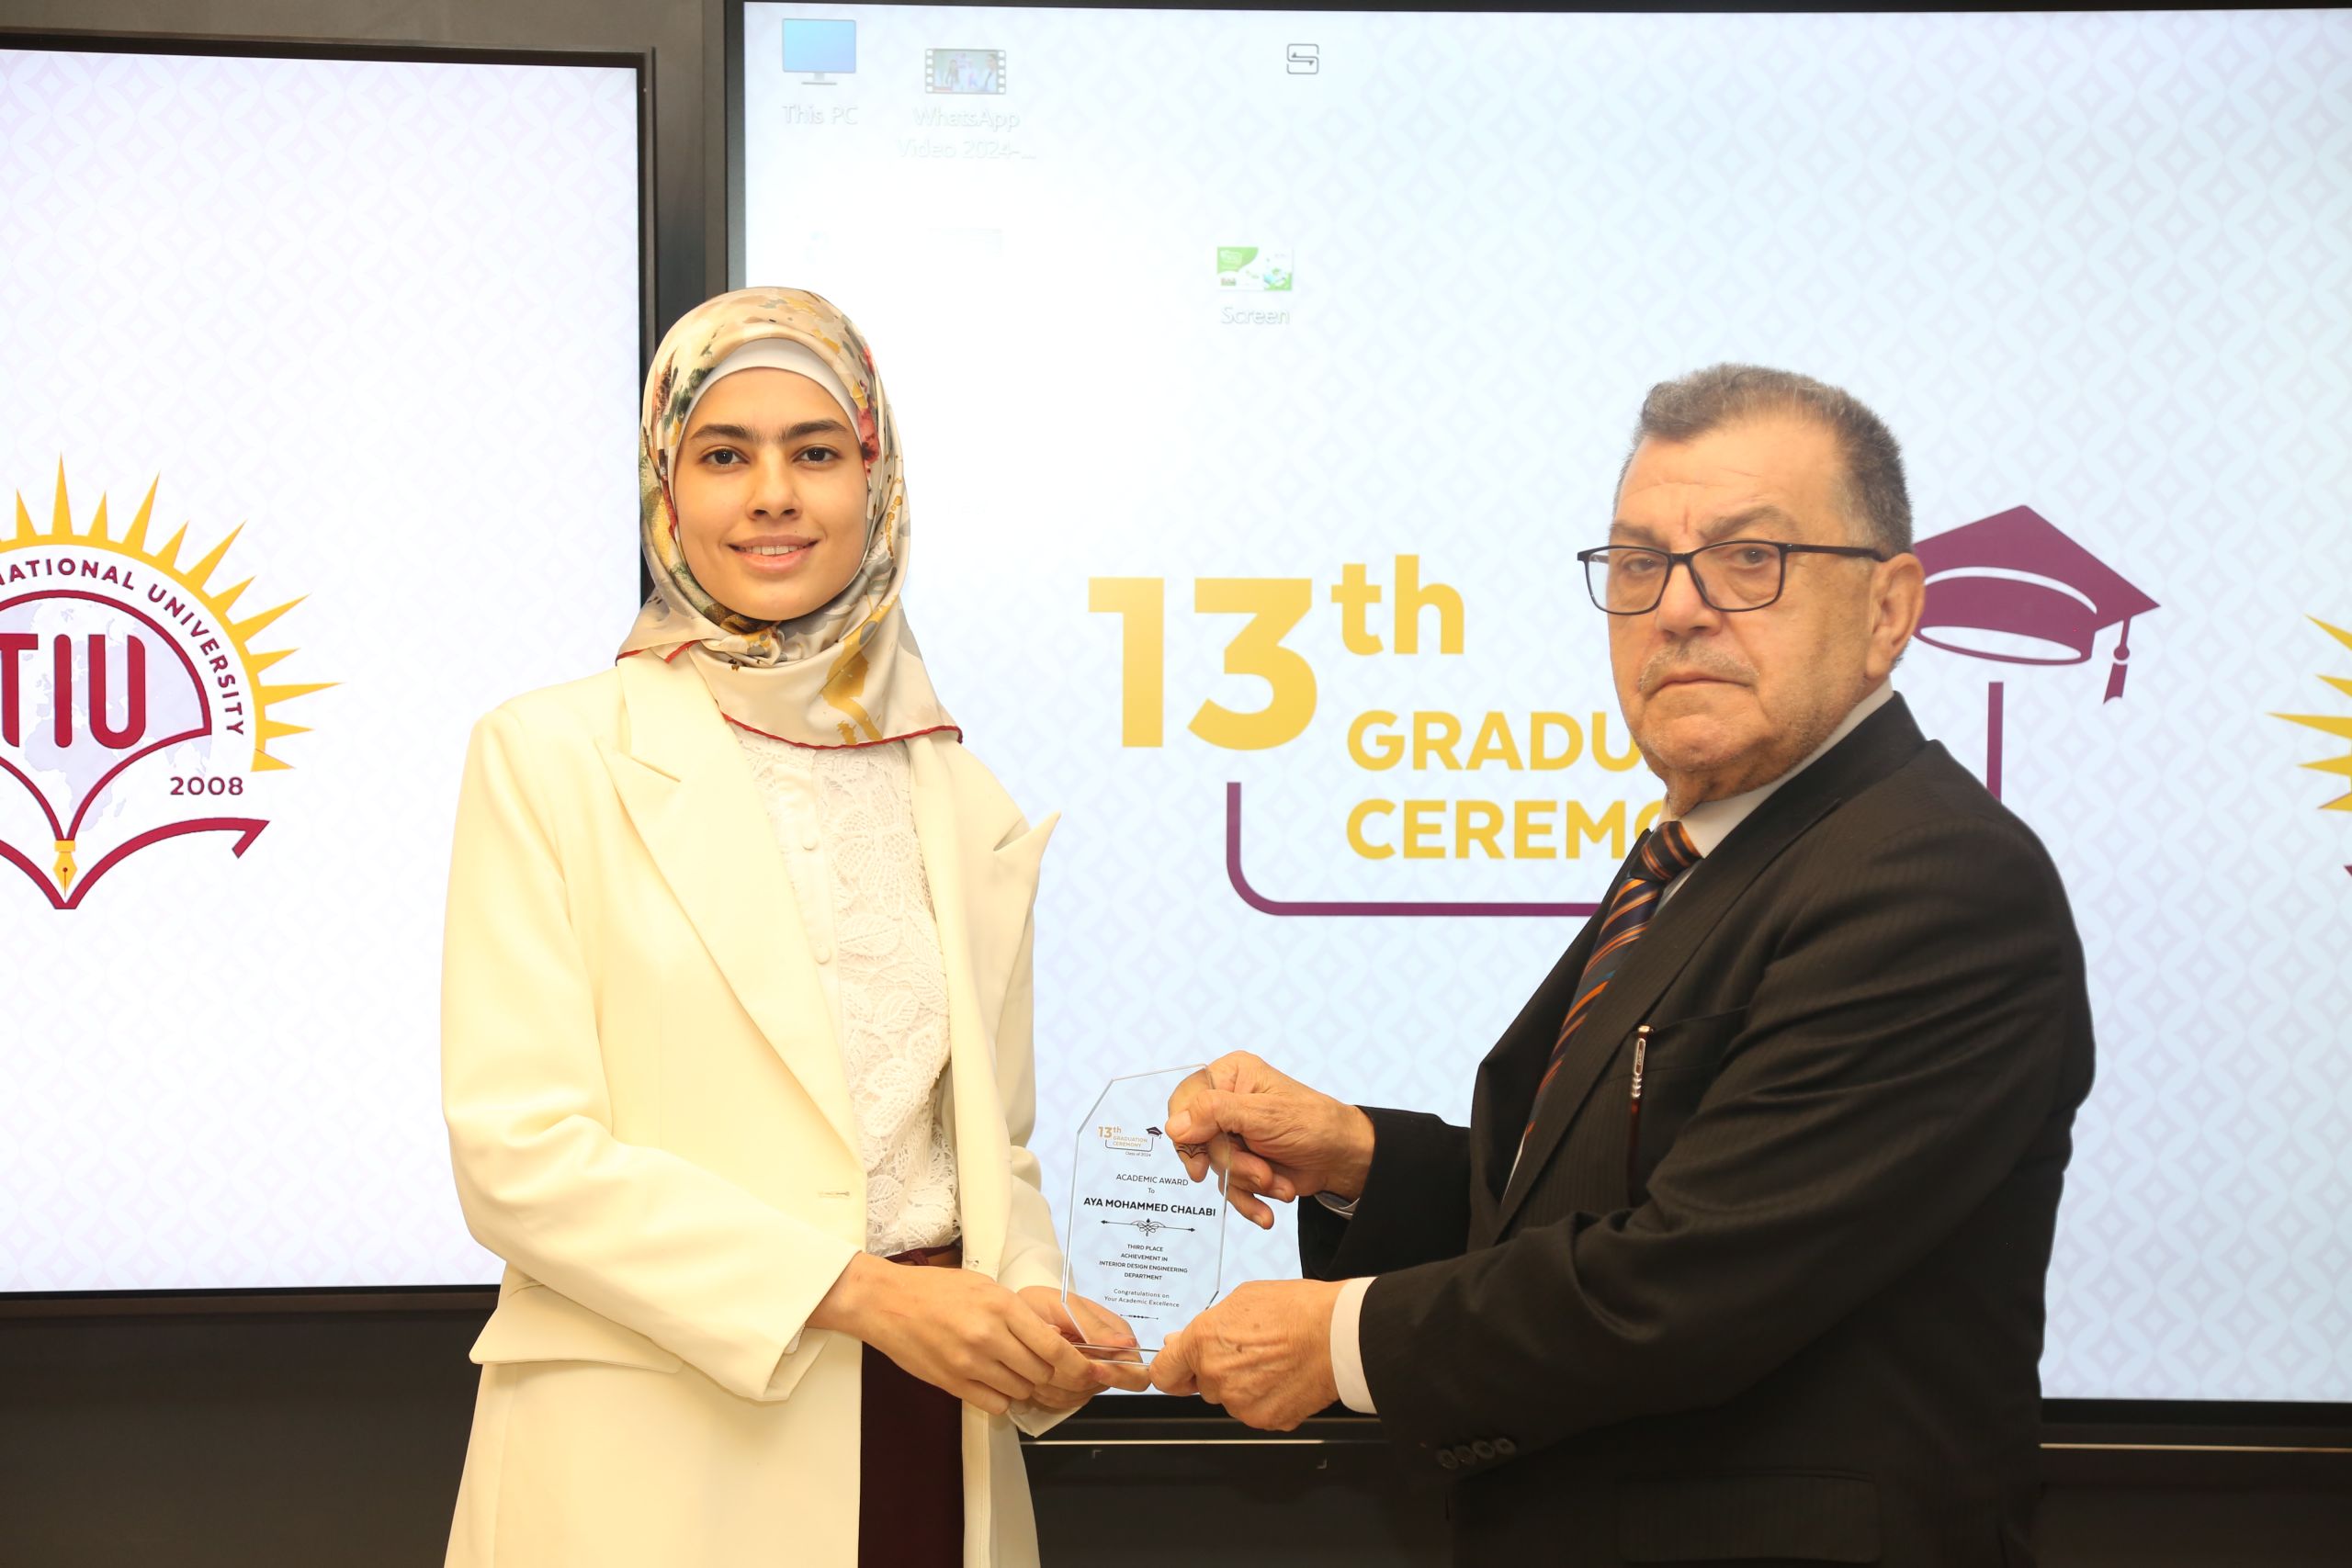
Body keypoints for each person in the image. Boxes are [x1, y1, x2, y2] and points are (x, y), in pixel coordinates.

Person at [1151, 366, 2097, 1566]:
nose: (1680, 609)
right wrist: (1356, 1157)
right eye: (1641, 564)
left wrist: (1341, 1340)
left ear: (1888, 609)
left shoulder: (1935, 879)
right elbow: (1584, 1211)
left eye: (1750, 560)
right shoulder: (1705, 851)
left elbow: (1692, 1280)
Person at [438, 288, 1145, 1568]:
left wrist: (1035, 1309)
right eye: (725, 455)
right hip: (655, 1452)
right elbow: (519, 1154)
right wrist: (867, 1297)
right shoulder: (548, 755)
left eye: (816, 451)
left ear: (877, 482)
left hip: (931, 1432)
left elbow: (986, 1150)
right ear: (667, 491)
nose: (773, 495)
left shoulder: (959, 791)